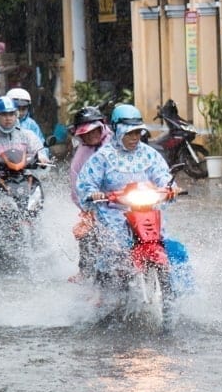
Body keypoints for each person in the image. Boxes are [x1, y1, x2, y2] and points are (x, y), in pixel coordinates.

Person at [76, 104, 182, 288]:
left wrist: (171, 187)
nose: (134, 138)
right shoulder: (103, 157)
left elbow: (163, 176)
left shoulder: (150, 154)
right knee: (115, 247)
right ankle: (107, 285)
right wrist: (93, 193)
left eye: (137, 133)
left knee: (165, 242)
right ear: (117, 130)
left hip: (145, 209)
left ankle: (175, 288)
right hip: (115, 211)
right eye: (129, 133)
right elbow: (86, 183)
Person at [67, 106, 111, 283]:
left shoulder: (119, 142)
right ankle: (85, 271)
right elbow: (76, 188)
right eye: (86, 132)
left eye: (95, 130)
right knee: (88, 233)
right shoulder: (80, 157)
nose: (91, 135)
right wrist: (88, 206)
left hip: (126, 199)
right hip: (97, 204)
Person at [0, 96, 49, 172]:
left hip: (24, 177)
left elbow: (37, 149)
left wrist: (42, 158)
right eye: (4, 114)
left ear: (16, 115)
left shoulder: (27, 135)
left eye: (11, 114)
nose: (8, 118)